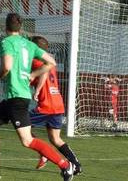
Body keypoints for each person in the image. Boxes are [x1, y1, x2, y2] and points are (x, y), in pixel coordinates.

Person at [0, 13, 74, 181]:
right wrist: (33, 74)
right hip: (13, 97)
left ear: (5, 27)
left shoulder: (7, 42)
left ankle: (65, 165)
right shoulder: (28, 44)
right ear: (20, 28)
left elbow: (7, 67)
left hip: (17, 98)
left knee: (27, 140)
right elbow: (51, 62)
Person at [30, 36, 82, 175]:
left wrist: (38, 89)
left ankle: (44, 153)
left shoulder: (37, 61)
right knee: (55, 138)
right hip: (58, 104)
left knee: (22, 126)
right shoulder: (51, 63)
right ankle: (76, 165)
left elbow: (43, 72)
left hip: (46, 105)